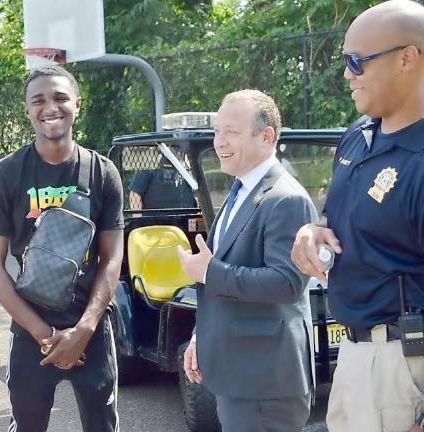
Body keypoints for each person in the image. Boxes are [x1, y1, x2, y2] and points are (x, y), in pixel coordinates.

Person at [290, 1, 424, 431]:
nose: (347, 74)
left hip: (404, 367)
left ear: (407, 58)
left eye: (357, 61)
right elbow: (337, 219)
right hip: (352, 358)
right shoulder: (357, 135)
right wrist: (311, 232)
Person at [0, 65, 123, 432]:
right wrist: (44, 335)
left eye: (60, 98)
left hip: (90, 330)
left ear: (77, 103)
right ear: (27, 109)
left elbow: (112, 259)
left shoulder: (102, 173)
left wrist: (84, 330)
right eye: (38, 100)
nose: (50, 107)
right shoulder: (6, 173)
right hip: (30, 334)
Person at [178, 89, 317, 432]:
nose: (219, 142)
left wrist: (210, 272)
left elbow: (286, 283)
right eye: (217, 132)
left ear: (266, 136)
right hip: (241, 377)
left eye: (232, 132)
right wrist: (200, 338)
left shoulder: (285, 199)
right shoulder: (241, 190)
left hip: (265, 383)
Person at [128, 148, 197, 211]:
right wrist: (138, 221)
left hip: (185, 218)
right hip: (153, 221)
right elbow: (135, 193)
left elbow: (197, 194)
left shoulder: (188, 174)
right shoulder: (148, 171)